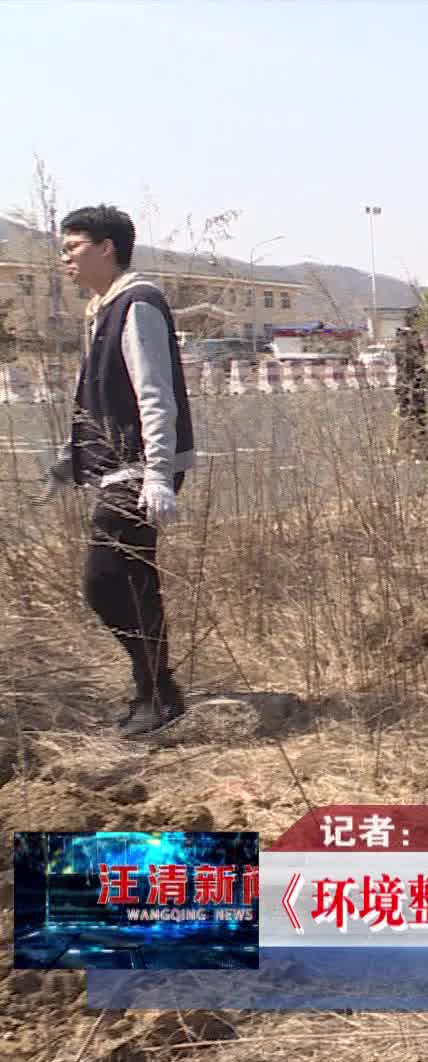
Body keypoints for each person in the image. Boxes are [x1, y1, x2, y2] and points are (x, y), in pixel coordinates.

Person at [45, 205, 196, 735]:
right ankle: (154, 692)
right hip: (113, 466)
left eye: (73, 247)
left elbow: (154, 395)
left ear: (106, 248)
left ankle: (159, 692)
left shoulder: (138, 304)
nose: (64, 258)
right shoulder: (101, 306)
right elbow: (100, 394)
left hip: (136, 468)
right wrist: (73, 456)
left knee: (106, 583)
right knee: (133, 580)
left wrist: (157, 473)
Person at [392, 316, 428, 458]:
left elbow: (420, 365)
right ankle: (407, 449)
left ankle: (414, 449)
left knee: (415, 417)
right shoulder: (408, 344)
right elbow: (411, 366)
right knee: (410, 417)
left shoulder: (406, 343)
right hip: (409, 387)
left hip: (411, 387)